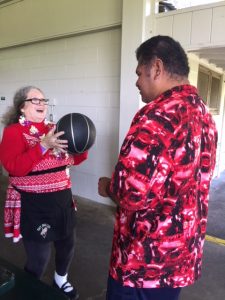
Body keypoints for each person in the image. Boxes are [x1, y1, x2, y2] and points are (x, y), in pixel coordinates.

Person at [98, 35, 218, 300]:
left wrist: (107, 187)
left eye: (140, 73)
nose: (137, 82)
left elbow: (130, 194)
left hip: (141, 265)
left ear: (157, 68)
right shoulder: (204, 116)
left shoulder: (155, 116)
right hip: (179, 258)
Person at [0, 86, 87, 300]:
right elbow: (13, 166)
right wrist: (42, 145)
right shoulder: (13, 132)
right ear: (22, 107)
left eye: (43, 100)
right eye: (35, 100)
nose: (42, 104)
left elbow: (75, 158)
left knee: (67, 244)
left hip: (62, 201)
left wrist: (83, 142)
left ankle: (61, 280)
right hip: (34, 204)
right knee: (39, 258)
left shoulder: (55, 127)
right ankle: (29, 290)